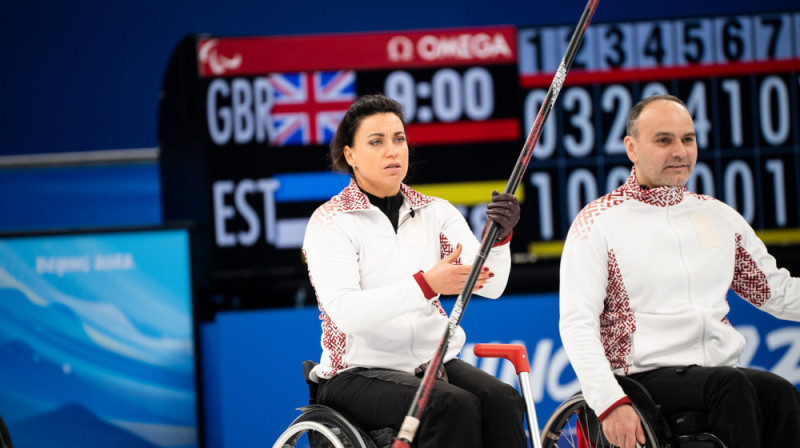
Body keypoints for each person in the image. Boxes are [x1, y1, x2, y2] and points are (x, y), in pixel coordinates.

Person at [559, 94, 800, 448]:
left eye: (688, 139)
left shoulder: (717, 216)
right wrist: (609, 401)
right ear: (632, 148)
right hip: (639, 375)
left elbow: (776, 293)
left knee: (778, 391)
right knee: (730, 388)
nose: (680, 151)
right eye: (663, 140)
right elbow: (577, 322)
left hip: (715, 373)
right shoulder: (598, 222)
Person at [302, 94, 526, 448]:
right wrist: (425, 285)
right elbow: (346, 313)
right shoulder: (331, 222)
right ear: (350, 155)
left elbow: (488, 285)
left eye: (399, 138)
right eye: (376, 142)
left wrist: (498, 240)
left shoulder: (436, 211)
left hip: (431, 362)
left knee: (503, 400)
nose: (392, 151)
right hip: (354, 374)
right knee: (452, 405)